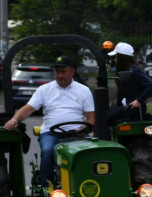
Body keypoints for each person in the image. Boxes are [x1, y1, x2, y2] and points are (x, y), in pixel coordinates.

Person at [3, 55, 95, 186]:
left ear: (72, 72)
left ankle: (87, 184)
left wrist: (84, 129)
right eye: (57, 72)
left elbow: (91, 118)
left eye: (63, 71)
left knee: (87, 154)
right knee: (47, 151)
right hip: (51, 133)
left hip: (76, 132)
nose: (59, 75)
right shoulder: (44, 89)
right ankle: (47, 187)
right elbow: (29, 108)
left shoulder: (83, 90)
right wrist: (14, 119)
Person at [106, 42, 152, 124]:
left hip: (133, 108)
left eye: (116, 56)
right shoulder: (125, 71)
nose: (115, 59)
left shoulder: (134, 70)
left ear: (122, 58)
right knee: (104, 114)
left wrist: (139, 101)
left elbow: (151, 85)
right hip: (126, 106)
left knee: (106, 118)